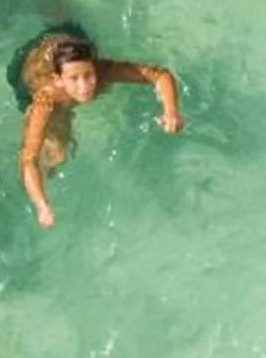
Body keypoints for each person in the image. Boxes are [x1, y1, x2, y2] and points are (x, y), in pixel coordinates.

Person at [10, 23, 182, 229]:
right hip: (25, 71)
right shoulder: (45, 100)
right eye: (74, 79)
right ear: (59, 79)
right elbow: (29, 159)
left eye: (88, 75)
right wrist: (41, 204)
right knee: (56, 155)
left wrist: (171, 111)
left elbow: (160, 75)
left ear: (94, 67)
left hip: (68, 42)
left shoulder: (103, 71)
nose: (85, 86)